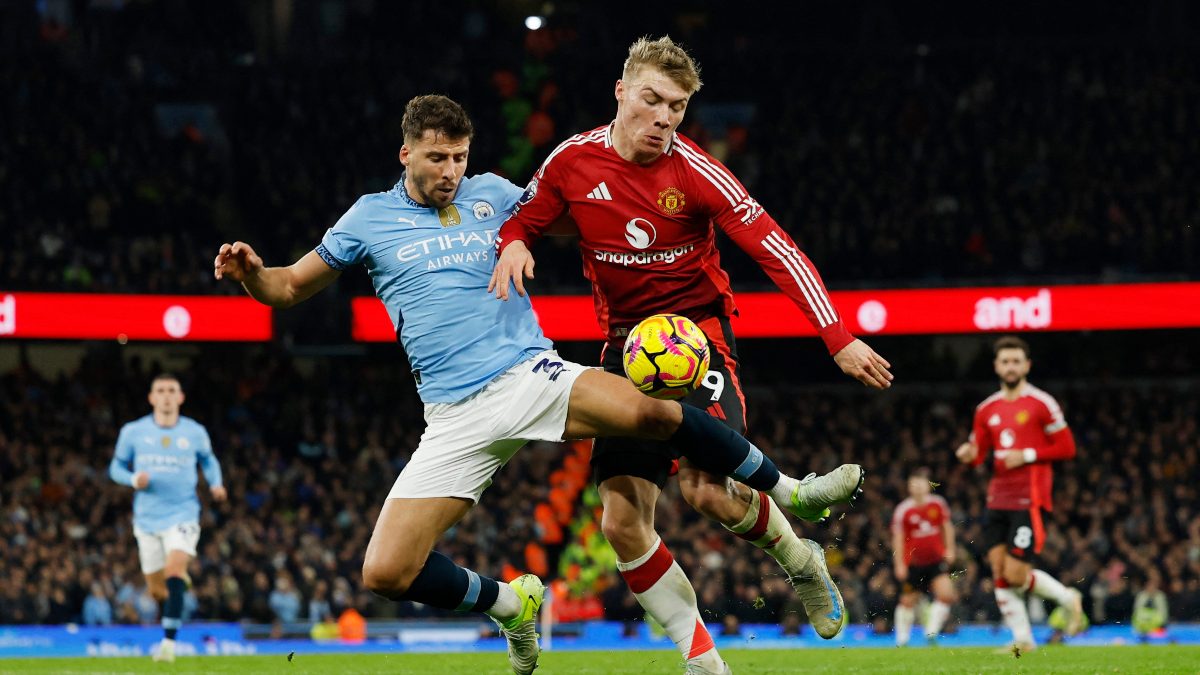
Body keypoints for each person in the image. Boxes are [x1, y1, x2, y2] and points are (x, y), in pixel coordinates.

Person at [214, 94, 857, 675]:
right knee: (386, 571)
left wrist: (664, 224)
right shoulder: (367, 219)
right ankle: (510, 604)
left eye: (460, 158)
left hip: (530, 374)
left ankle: (792, 489)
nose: (451, 172)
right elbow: (288, 288)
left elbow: (588, 215)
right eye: (437, 158)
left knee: (655, 415)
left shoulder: (495, 192)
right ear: (405, 152)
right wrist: (251, 273)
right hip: (453, 414)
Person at [491, 35, 891, 670]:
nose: (663, 119)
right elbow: (524, 217)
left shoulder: (698, 172)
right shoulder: (572, 161)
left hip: (696, 341)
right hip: (627, 351)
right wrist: (515, 242)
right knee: (621, 524)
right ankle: (702, 657)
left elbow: (776, 251)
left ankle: (799, 559)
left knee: (707, 492)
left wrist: (836, 337)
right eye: (651, 100)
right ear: (620, 93)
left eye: (676, 108)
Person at [955, 335, 1084, 651]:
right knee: (1000, 571)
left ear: (1027, 365)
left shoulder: (1042, 403)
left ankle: (1068, 597)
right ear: (997, 366)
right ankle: (1023, 640)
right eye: (1005, 361)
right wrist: (969, 455)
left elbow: (1067, 448)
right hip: (997, 497)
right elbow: (980, 452)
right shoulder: (986, 409)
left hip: (1030, 498)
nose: (1010, 367)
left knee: (1015, 573)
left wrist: (1026, 455)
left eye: (1016, 361)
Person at [109, 373, 226, 663]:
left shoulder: (194, 431)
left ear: (180, 397)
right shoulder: (133, 432)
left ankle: (168, 647)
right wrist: (133, 478)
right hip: (147, 520)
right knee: (158, 590)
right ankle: (177, 583)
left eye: (171, 390)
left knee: (174, 570)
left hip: (183, 513)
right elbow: (115, 467)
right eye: (160, 390)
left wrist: (215, 483)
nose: (166, 395)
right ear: (151, 398)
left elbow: (208, 460)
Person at [891, 468, 957, 645]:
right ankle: (902, 640)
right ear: (909, 488)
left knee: (946, 594)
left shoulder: (938, 504)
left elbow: (947, 527)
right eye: (914, 484)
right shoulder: (903, 510)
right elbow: (898, 539)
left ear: (928, 486)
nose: (918, 488)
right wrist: (899, 564)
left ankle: (931, 633)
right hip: (914, 563)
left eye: (921, 484)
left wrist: (950, 549)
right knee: (907, 601)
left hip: (936, 560)